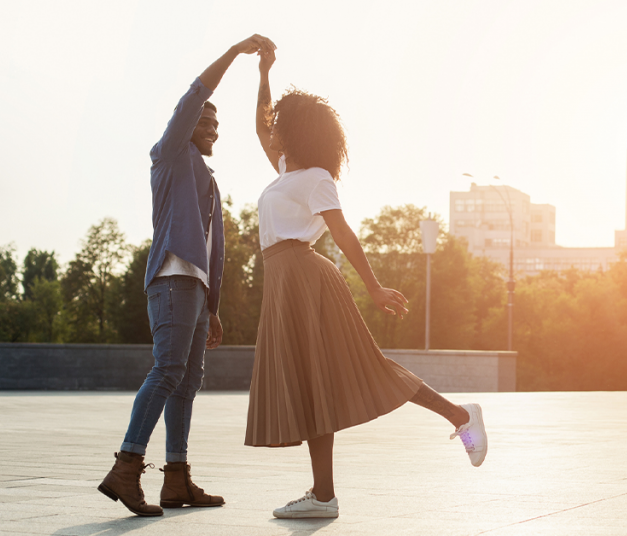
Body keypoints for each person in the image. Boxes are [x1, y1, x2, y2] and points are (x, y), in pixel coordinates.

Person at [245, 48, 488, 520]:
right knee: (313, 383)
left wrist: (374, 288)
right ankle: (324, 496)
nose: (272, 127)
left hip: (305, 275)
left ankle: (461, 417)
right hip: (282, 280)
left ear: (298, 132)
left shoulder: (316, 178)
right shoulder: (285, 172)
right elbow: (260, 123)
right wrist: (263, 72)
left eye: (281, 123)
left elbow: (343, 234)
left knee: (359, 370)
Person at [98, 34, 277, 517]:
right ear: (186, 125)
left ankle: (175, 478)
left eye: (218, 124)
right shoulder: (171, 154)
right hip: (172, 280)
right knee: (168, 371)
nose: (214, 129)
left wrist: (213, 307)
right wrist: (237, 53)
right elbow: (195, 93)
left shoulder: (209, 180)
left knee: (187, 380)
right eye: (207, 121)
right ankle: (126, 467)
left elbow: (214, 251)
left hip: (195, 289)